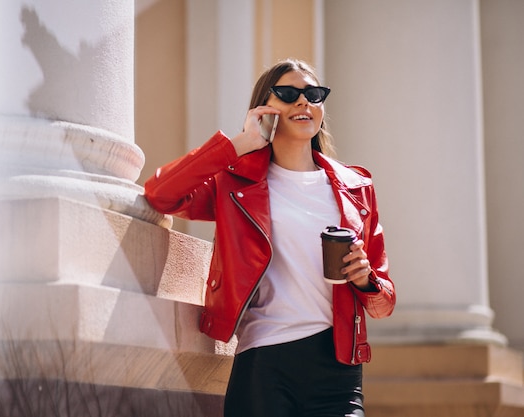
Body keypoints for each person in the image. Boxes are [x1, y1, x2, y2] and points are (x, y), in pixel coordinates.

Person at [144, 58, 396, 417]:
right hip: (265, 360)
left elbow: (384, 301)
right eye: (288, 93)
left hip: (338, 367)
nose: (302, 102)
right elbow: (160, 193)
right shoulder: (236, 184)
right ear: (265, 107)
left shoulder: (357, 189)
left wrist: (365, 278)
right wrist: (239, 144)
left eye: (312, 93)